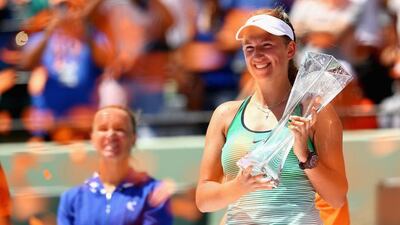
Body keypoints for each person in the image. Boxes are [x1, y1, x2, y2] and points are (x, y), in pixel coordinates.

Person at [195, 7, 348, 224]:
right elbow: (203, 200)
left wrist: (305, 156)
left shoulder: (316, 112)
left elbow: (337, 197)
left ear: (290, 49)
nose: (257, 55)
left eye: (266, 45)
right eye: (249, 48)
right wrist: (239, 186)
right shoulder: (225, 114)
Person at [57, 105, 173, 225]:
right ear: (92, 137)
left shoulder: (154, 192)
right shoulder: (71, 198)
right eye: (103, 129)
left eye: (120, 129)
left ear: (133, 138)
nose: (111, 134)